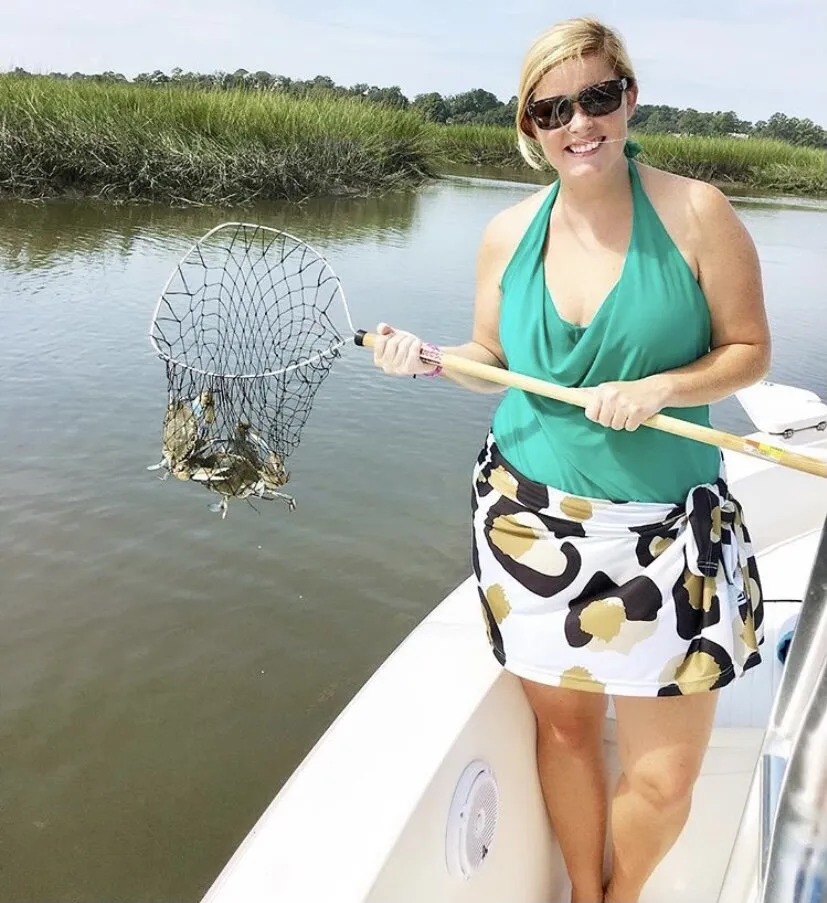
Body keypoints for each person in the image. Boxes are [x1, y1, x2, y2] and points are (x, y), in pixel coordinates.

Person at [371, 15, 771, 903]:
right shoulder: (506, 233)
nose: (576, 123)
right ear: (528, 127)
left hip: (668, 537)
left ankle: (619, 894)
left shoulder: (696, 212)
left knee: (664, 779)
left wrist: (664, 386)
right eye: (551, 109)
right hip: (529, 522)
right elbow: (490, 359)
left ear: (628, 99)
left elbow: (748, 351)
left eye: (595, 98)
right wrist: (427, 357)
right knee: (564, 734)